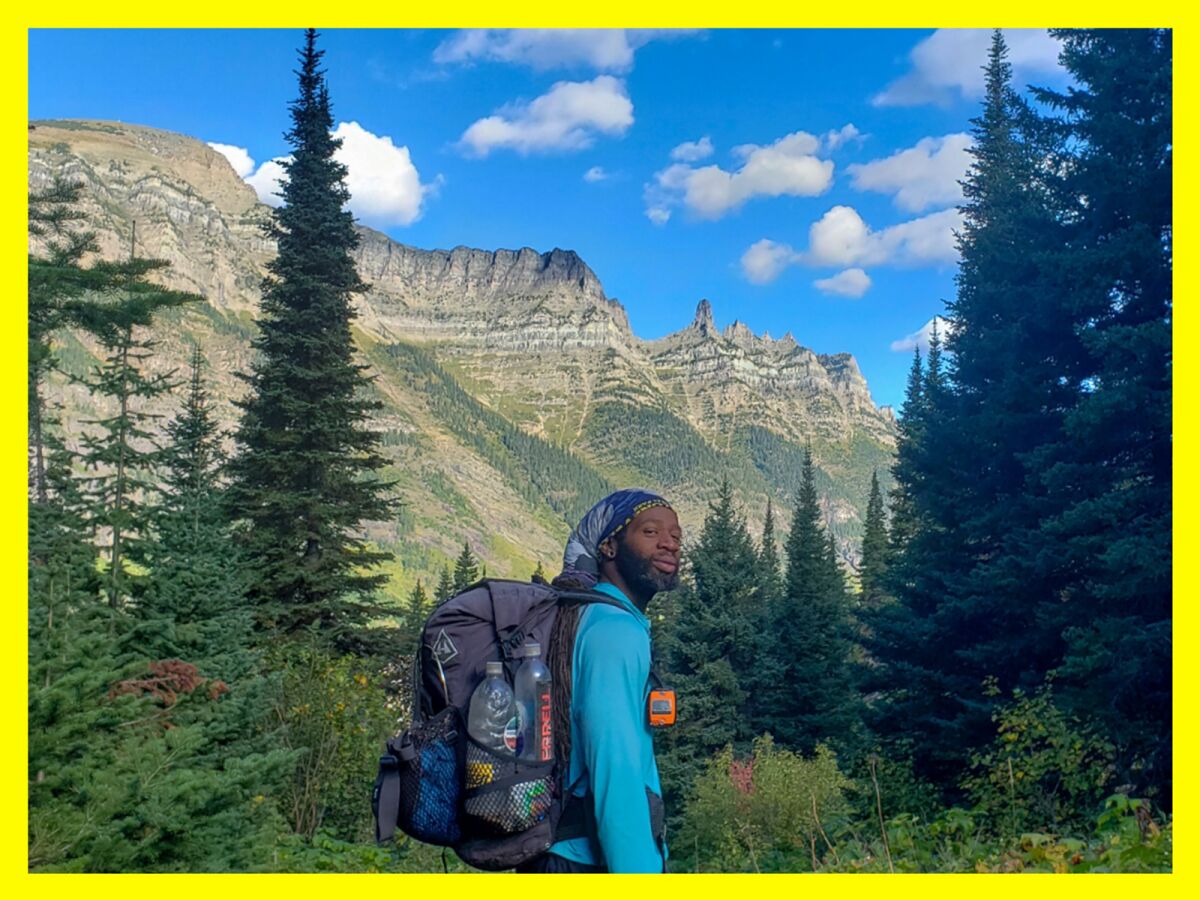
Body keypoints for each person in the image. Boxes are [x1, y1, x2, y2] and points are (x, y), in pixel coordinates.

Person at [517, 489, 681, 874]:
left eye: (676, 536)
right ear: (608, 546)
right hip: (583, 861)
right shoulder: (615, 631)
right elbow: (615, 766)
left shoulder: (582, 614)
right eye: (650, 532)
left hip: (552, 850)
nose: (669, 544)